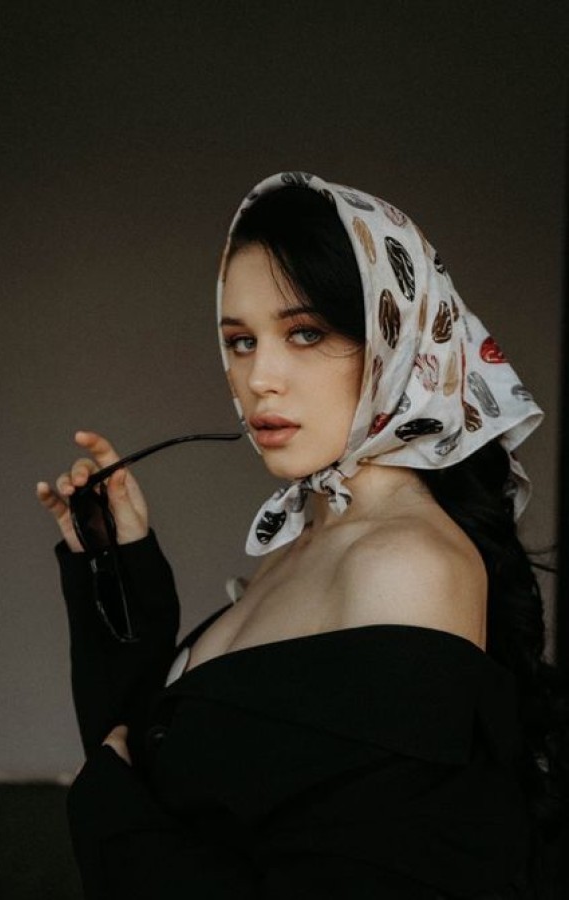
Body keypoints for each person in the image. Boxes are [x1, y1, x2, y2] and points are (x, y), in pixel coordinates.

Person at [37, 172, 566, 899]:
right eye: (240, 341)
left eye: (306, 333)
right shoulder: (306, 544)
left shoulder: (406, 566)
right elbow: (146, 760)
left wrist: (109, 823)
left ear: (398, 339)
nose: (259, 377)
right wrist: (115, 563)